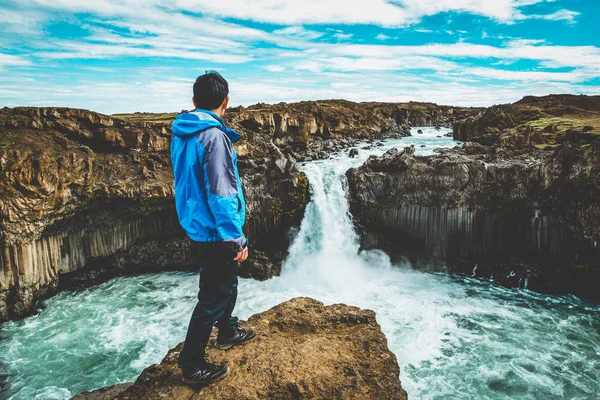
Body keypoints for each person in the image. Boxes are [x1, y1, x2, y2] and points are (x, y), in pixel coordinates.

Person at [170, 71, 256, 386]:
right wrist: (236, 240)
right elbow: (222, 194)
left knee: (225, 282)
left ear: (194, 101)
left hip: (195, 224)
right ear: (226, 102)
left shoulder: (181, 132)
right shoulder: (214, 136)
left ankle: (228, 330)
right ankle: (191, 365)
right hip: (214, 229)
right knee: (211, 296)